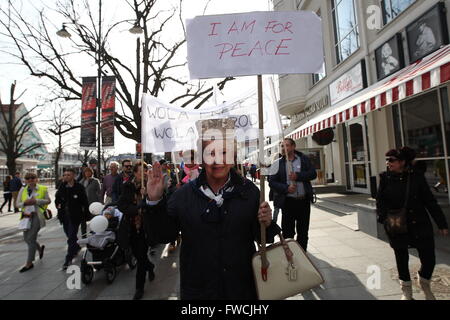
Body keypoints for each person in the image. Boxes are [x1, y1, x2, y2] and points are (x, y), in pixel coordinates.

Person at [144, 118, 279, 300]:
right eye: (210, 153)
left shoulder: (250, 192)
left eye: (224, 152)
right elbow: (163, 236)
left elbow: (263, 238)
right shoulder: (183, 195)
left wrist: (267, 223)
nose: (218, 161)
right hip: (198, 293)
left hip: (241, 291)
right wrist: (154, 201)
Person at [377, 147, 448, 300]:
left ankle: (424, 282)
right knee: (401, 258)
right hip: (397, 225)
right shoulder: (385, 178)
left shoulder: (417, 177)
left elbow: (430, 201)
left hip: (420, 223)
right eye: (387, 160)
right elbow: (380, 201)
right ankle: (406, 290)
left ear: (403, 162)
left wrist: (442, 224)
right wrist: (384, 219)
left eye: (392, 160)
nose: (388, 163)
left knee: (429, 259)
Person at [268, 138, 317, 252]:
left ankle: (302, 254)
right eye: (282, 146)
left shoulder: (303, 159)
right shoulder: (277, 163)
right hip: (288, 202)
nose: (284, 148)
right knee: (288, 232)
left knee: (303, 231)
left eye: (287, 145)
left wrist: (298, 176)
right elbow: (272, 182)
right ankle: (289, 254)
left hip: (303, 201)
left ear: (293, 147)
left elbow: (313, 174)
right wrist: (286, 188)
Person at [117, 161, 155, 300]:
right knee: (140, 256)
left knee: (141, 257)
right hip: (132, 227)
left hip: (145, 228)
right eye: (140, 171)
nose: (143, 174)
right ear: (135, 173)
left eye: (145, 171)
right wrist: (137, 207)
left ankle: (139, 288)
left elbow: (156, 205)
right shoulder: (128, 186)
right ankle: (150, 267)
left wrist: (148, 196)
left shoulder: (151, 185)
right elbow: (122, 205)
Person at [55, 168, 90, 270]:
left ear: (73, 176)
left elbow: (85, 201)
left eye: (68, 175)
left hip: (75, 216)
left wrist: (86, 215)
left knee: (71, 236)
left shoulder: (79, 187)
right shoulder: (62, 186)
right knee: (69, 235)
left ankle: (68, 258)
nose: (66, 177)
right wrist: (58, 205)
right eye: (65, 175)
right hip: (64, 216)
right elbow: (57, 199)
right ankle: (77, 247)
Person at [16, 172, 51, 272]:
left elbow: (48, 201)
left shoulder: (43, 188)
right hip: (26, 217)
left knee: (30, 239)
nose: (30, 180)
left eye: (32, 178)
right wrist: (25, 203)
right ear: (25, 180)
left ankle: (29, 263)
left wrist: (37, 201)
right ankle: (39, 249)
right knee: (26, 239)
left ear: (36, 179)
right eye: (28, 178)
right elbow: (17, 204)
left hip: (37, 216)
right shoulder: (23, 189)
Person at [79, 167, 102, 238]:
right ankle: (84, 235)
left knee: (94, 219)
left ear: (92, 173)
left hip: (93, 203)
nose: (87, 173)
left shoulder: (95, 181)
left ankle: (94, 233)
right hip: (84, 204)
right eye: (86, 172)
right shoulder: (81, 182)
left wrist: (100, 203)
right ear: (84, 173)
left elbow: (99, 192)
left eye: (89, 172)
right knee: (83, 220)